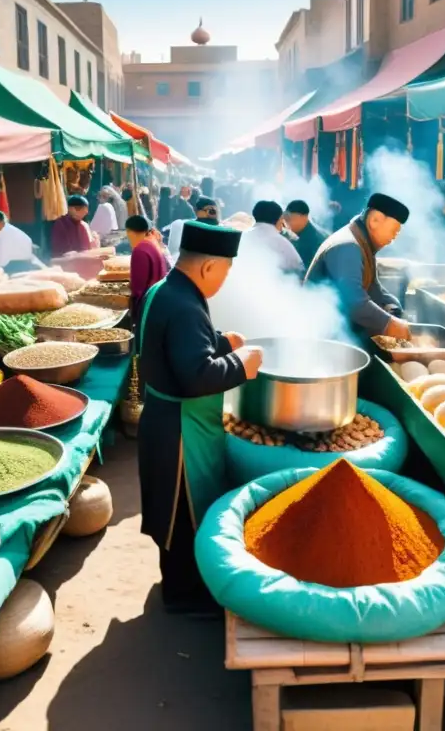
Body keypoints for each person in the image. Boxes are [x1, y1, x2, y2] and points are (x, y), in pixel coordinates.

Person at [137, 221, 263, 614]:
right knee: (184, 512)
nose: (225, 280)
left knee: (172, 511)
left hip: (162, 416)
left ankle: (179, 585)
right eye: (226, 271)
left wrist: (223, 342)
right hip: (180, 428)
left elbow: (177, 348)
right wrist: (242, 364)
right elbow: (197, 376)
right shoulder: (186, 305)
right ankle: (185, 596)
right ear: (208, 267)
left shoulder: (166, 289)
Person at [304, 193, 411, 340]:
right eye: (394, 231)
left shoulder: (362, 243)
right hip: (322, 336)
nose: (393, 238)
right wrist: (390, 323)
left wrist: (393, 307)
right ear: (374, 221)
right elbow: (354, 302)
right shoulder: (347, 246)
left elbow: (373, 288)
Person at [126, 215, 170, 332]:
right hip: (158, 301)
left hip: (147, 306)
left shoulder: (140, 249)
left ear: (130, 232)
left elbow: (138, 287)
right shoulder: (152, 242)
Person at [244, 200, 304, 274]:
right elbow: (299, 269)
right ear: (279, 219)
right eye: (282, 219)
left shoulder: (242, 237)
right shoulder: (282, 243)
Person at [0, 210, 45, 274]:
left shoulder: (1, 236)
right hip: (29, 265)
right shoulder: (8, 230)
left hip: (19, 270)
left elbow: (0, 264)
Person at [285, 199, 330, 269]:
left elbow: (312, 272)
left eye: (289, 219)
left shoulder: (313, 239)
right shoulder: (302, 232)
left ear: (303, 217)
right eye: (285, 219)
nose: (286, 223)